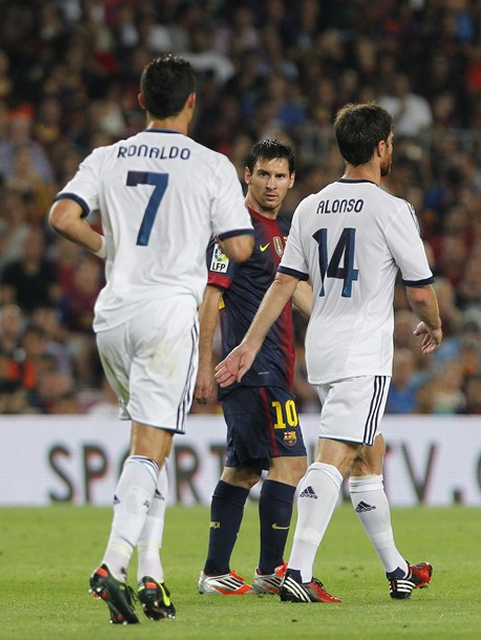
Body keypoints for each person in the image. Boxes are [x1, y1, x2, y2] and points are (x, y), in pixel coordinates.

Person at [48, 53, 254, 624]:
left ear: (141, 101)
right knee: (151, 446)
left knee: (149, 444)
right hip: (167, 313)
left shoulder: (107, 157)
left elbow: (62, 216)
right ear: (192, 102)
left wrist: (108, 248)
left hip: (113, 314)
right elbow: (238, 248)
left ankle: (152, 575)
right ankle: (112, 563)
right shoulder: (211, 165)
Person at [215, 102, 442, 603]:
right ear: (383, 147)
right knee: (335, 455)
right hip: (364, 353)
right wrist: (435, 323)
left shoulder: (311, 206)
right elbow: (421, 291)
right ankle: (295, 569)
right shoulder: (392, 209)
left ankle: (397, 568)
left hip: (322, 350)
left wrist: (248, 344)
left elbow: (283, 284)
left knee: (368, 455)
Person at [195, 139, 311, 596]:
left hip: (273, 369)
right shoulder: (235, 232)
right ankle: (270, 570)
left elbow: (293, 293)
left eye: (280, 176)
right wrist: (205, 364)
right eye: (263, 174)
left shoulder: (282, 231)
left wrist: (335, 328)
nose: (271, 184)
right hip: (253, 369)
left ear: (292, 180)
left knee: (243, 469)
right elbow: (210, 297)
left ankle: (216, 571)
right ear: (247, 174)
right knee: (292, 462)